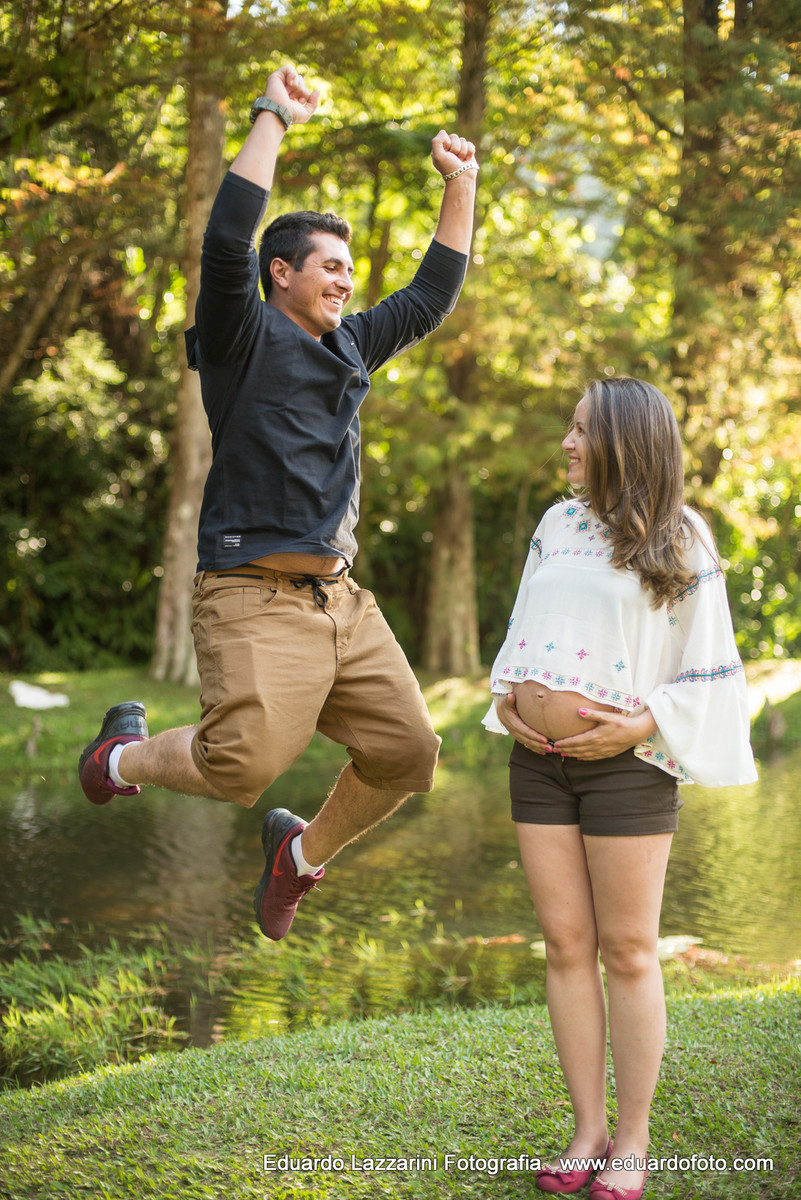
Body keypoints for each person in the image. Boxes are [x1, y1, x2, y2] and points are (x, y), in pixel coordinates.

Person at [79, 64, 479, 942]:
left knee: (410, 753)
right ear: (281, 273)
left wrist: (462, 181)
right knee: (241, 765)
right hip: (250, 594)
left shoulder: (352, 348)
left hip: (341, 602)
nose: (344, 282)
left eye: (347, 269)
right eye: (328, 268)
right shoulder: (240, 336)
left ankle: (297, 857)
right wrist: (274, 117)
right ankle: (121, 754)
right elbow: (224, 241)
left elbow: (432, 293)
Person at [482, 377, 757, 1200]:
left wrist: (638, 725)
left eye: (579, 431)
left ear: (625, 442)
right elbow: (521, 627)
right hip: (536, 763)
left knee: (629, 952)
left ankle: (631, 1140)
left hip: (628, 774)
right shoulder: (553, 526)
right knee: (564, 946)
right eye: (567, 429)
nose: (565, 444)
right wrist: (506, 693)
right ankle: (586, 1130)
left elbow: (711, 667)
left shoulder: (681, 539)